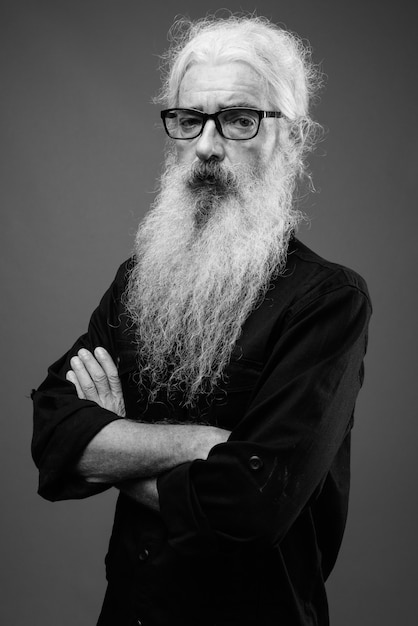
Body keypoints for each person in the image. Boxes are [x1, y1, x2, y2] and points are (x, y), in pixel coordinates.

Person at [32, 14, 372, 626]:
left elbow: (250, 506)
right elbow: (54, 437)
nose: (208, 146)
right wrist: (196, 444)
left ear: (291, 138)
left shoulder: (329, 301)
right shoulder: (139, 280)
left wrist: (114, 440)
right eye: (190, 119)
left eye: (241, 119)